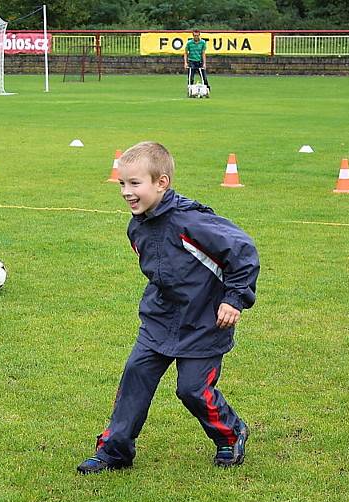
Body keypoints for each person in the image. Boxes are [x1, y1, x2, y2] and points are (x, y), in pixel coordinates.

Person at [77, 142, 259, 474]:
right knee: (136, 376)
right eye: (122, 184)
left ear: (161, 183)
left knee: (191, 389)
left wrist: (233, 299)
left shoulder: (191, 221)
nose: (126, 192)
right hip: (160, 320)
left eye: (135, 184)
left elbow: (243, 252)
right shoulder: (136, 227)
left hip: (205, 322)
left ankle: (231, 434)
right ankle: (115, 450)